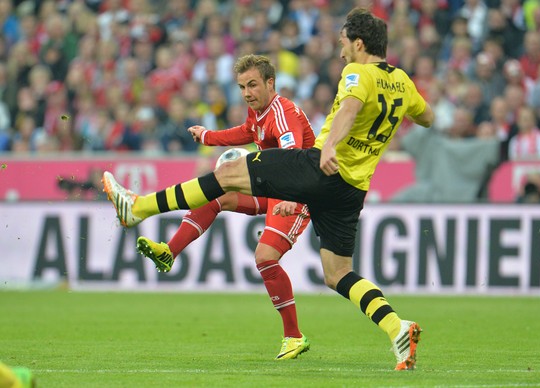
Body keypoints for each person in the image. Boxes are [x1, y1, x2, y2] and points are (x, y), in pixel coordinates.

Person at [103, 8, 434, 371]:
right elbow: (427, 117)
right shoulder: (402, 82)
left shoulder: (357, 72)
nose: (341, 53)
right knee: (337, 273)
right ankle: (396, 327)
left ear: (358, 43)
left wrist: (328, 147)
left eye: (343, 45)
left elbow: (350, 108)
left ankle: (139, 208)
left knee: (227, 173)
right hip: (352, 189)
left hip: (318, 167)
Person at [136, 54, 314, 360]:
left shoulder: (283, 114)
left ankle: (294, 337)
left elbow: (294, 158)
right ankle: (169, 252)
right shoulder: (257, 112)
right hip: (275, 190)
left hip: (300, 194)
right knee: (216, 195)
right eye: (242, 86)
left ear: (271, 83)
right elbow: (244, 133)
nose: (247, 93)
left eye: (253, 85)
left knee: (265, 258)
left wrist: (288, 198)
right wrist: (207, 136)